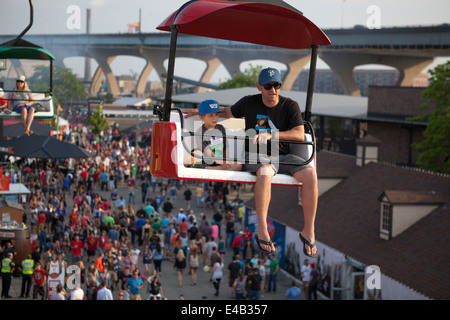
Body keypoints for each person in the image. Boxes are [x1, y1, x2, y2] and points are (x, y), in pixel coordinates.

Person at [185, 67, 318, 257]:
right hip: (258, 155)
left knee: (311, 175)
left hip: (285, 156)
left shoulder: (290, 106)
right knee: (265, 172)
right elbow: (229, 113)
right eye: (268, 86)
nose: (273, 90)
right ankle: (262, 229)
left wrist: (272, 135)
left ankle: (309, 230)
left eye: (277, 85)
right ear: (260, 87)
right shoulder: (250, 102)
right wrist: (202, 112)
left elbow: (298, 133)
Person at [185, 99, 242, 171]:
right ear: (202, 117)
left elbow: (226, 147)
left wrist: (226, 160)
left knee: (238, 165)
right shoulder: (200, 131)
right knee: (196, 153)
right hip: (206, 159)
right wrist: (220, 161)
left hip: (219, 160)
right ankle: (203, 166)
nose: (214, 118)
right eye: (210, 115)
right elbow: (206, 151)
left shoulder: (220, 128)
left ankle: (209, 169)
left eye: (216, 114)